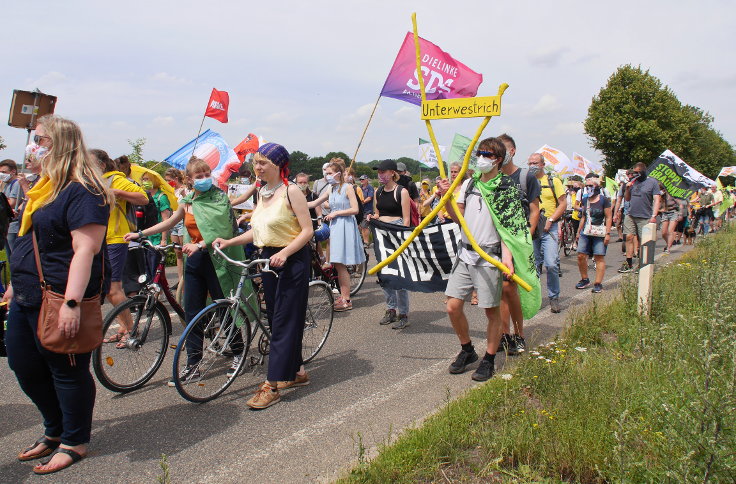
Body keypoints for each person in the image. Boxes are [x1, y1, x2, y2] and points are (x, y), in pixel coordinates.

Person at [4, 114, 113, 474]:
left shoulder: (84, 190)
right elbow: (27, 240)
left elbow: (85, 250)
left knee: (65, 369)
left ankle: (74, 439)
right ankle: (54, 429)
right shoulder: (45, 188)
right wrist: (13, 282)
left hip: (60, 295)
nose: (33, 146)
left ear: (60, 145)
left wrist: (71, 303)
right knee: (23, 364)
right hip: (26, 295)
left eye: (40, 139)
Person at [125, 157, 248, 385]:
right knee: (192, 312)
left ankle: (239, 352)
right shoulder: (188, 201)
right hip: (195, 262)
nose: (203, 179)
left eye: (206, 174)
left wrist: (200, 244)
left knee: (223, 309)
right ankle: (193, 364)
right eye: (198, 176)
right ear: (189, 179)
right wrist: (140, 234)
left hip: (216, 261)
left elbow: (224, 230)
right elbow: (169, 223)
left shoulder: (220, 198)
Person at [215, 143, 313, 410]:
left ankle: (271, 385)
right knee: (277, 319)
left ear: (279, 165)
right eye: (256, 162)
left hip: (291, 261)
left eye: (264, 163)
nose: (258, 167)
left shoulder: (291, 191)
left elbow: (307, 231)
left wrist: (286, 252)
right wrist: (230, 240)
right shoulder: (262, 191)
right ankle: (298, 372)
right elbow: (258, 232)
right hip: (267, 259)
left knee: (283, 322)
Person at [436, 137, 532, 381]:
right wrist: (446, 197)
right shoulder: (469, 183)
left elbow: (509, 230)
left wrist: (508, 259)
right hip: (465, 253)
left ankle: (488, 359)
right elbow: (457, 218)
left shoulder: (506, 188)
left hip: (490, 257)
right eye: (479, 154)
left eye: (486, 155)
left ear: (497, 160)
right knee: (452, 305)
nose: (480, 158)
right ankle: (467, 350)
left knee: (492, 312)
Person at [91, 149, 147, 347]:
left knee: (113, 288)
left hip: (116, 238)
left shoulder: (115, 179)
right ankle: (124, 327)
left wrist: (116, 193)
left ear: (101, 165)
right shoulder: (93, 181)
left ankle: (131, 331)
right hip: (99, 238)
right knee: (107, 288)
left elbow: (143, 198)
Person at [497, 133, 541, 354]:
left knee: (512, 289)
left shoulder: (526, 178)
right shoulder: (491, 179)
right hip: (497, 242)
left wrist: (527, 238)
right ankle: (505, 336)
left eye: (501, 150)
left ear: (512, 151)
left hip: (519, 242)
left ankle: (519, 334)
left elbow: (534, 210)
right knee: (502, 289)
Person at [308, 162, 365, 311]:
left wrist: (336, 212)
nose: (327, 176)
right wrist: (293, 203)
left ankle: (346, 298)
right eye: (326, 173)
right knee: (336, 262)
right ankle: (343, 296)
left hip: (345, 225)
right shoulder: (331, 188)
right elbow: (315, 202)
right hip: (335, 226)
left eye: (329, 173)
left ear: (338, 173)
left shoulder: (348, 188)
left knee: (340, 263)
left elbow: (355, 209)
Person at [367, 159, 411, 329]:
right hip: (381, 235)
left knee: (399, 276)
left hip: (397, 232)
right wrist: (372, 217)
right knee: (385, 274)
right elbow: (378, 213)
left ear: (393, 172)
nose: (380, 175)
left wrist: (404, 241)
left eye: (383, 172)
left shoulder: (402, 192)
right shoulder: (377, 192)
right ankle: (390, 309)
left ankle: (404, 313)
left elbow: (406, 220)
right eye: (379, 172)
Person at [528, 153, 567, 313]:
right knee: (534, 267)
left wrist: (551, 219)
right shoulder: (526, 181)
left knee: (551, 264)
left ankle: (554, 297)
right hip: (532, 229)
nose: (532, 166)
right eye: (530, 163)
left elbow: (563, 203)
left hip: (548, 229)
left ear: (543, 164)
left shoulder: (553, 181)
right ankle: (535, 299)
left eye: (535, 163)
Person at [619, 163, 661, 272]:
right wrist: (627, 189)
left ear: (643, 172)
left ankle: (642, 263)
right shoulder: (633, 182)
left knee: (644, 240)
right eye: (634, 172)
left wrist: (654, 215)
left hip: (645, 215)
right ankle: (628, 263)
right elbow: (627, 199)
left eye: (637, 172)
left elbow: (657, 199)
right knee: (628, 237)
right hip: (631, 214)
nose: (635, 175)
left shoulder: (652, 182)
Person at [575, 176, 612, 293]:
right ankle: (584, 278)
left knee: (599, 257)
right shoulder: (585, 199)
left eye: (591, 186)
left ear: (597, 186)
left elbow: (608, 217)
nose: (588, 188)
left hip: (599, 233)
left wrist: (608, 233)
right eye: (587, 186)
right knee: (581, 255)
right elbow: (584, 216)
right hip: (586, 232)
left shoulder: (603, 200)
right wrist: (578, 231)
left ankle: (598, 283)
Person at [164, 167, 187, 294]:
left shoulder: (184, 189)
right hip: (173, 222)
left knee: (184, 251)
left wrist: (184, 195)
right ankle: (180, 281)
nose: (168, 183)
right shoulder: (169, 191)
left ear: (176, 179)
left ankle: (186, 280)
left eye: (169, 180)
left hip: (182, 222)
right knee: (178, 252)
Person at [0, 159, 21, 254]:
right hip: (7, 224)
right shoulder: (7, 184)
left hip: (13, 225)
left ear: (13, 171)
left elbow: (11, 203)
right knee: (9, 254)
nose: (1, 174)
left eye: (4, 172)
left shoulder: (16, 183)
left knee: (14, 253)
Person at [658, 183, 681, 254]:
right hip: (665, 213)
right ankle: (669, 242)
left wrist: (680, 214)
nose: (661, 190)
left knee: (670, 231)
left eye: (662, 189)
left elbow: (680, 204)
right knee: (664, 232)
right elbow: (658, 205)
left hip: (674, 212)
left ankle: (668, 248)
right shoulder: (661, 196)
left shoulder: (672, 194)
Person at [359, 174, 374, 246]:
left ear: (367, 180)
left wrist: (362, 202)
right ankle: (364, 241)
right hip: (361, 210)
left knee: (365, 226)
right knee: (362, 226)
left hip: (368, 210)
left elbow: (369, 198)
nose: (361, 181)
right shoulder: (360, 188)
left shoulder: (370, 188)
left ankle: (366, 241)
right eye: (360, 179)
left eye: (363, 179)